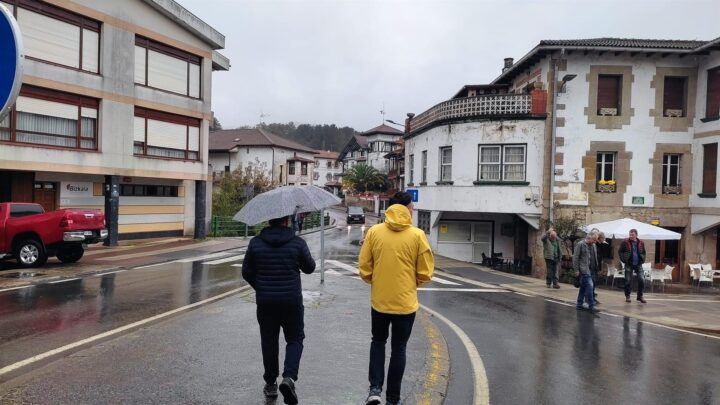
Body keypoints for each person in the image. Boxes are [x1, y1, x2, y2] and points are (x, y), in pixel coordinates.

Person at [359, 191, 434, 405]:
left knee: (378, 342)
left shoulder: (375, 232)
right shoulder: (418, 235)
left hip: (380, 302)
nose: (413, 209)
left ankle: (375, 390)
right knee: (399, 349)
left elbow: (364, 268)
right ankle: (393, 399)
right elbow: (425, 272)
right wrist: (411, 284)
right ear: (406, 209)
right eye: (412, 206)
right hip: (405, 304)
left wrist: (378, 281)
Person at [241, 215, 316, 405]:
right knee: (295, 339)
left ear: (268, 220)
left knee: (269, 341)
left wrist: (261, 286)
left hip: (266, 302)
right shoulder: (297, 243)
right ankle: (289, 378)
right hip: (291, 301)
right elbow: (310, 268)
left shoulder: (256, 243)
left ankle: (271, 383)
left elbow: (246, 271)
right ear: (286, 221)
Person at [618, 228, 647, 304]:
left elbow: (643, 252)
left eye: (632, 235)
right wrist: (624, 260)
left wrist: (643, 259)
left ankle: (640, 296)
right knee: (627, 281)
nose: (631, 236)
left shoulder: (641, 242)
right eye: (630, 234)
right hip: (629, 264)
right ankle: (628, 296)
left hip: (638, 264)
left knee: (642, 279)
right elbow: (620, 251)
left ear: (636, 235)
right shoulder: (625, 242)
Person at [574, 232, 598, 313]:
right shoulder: (580, 244)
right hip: (584, 269)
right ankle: (591, 306)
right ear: (589, 238)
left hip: (591, 269)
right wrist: (576, 270)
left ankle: (579, 304)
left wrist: (596, 267)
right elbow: (575, 258)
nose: (595, 241)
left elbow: (594, 257)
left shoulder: (594, 245)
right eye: (594, 239)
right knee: (590, 286)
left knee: (583, 287)